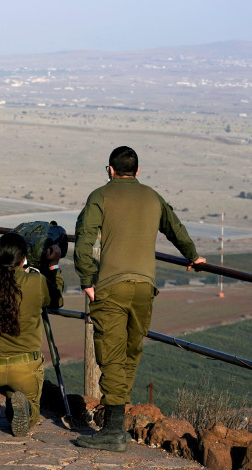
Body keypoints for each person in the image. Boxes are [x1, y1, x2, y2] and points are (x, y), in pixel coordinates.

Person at [74, 146, 206, 452]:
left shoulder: (100, 195)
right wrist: (193, 256)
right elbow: (175, 228)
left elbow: (83, 241)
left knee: (110, 355)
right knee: (131, 352)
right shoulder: (152, 196)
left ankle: (112, 430)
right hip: (145, 288)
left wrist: (85, 279)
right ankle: (117, 423)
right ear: (137, 170)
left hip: (111, 287)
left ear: (110, 170)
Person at [0, 232, 64, 436]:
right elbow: (57, 299)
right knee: (33, 407)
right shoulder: (37, 282)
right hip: (25, 369)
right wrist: (53, 265)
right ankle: (23, 408)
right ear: (23, 258)